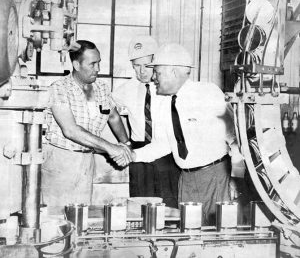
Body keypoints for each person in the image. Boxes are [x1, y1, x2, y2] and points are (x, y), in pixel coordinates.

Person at [113, 43, 244, 225]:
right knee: (189, 235)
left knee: (218, 235)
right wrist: (133, 155)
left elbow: (236, 139)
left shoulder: (207, 93)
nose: (154, 78)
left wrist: (237, 179)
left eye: (157, 73)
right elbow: (164, 143)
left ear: (173, 72)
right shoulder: (166, 103)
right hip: (186, 181)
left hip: (215, 178)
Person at [42, 40, 131, 209]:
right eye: (92, 64)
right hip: (61, 161)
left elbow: (113, 117)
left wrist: (125, 144)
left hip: (87, 160)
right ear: (76, 64)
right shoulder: (59, 89)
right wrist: (111, 148)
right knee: (56, 219)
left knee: (80, 216)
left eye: (99, 63)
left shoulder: (101, 89)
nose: (97, 69)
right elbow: (71, 130)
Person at [113, 36, 180, 207]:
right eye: (136, 66)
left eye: (147, 66)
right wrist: (124, 141)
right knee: (139, 205)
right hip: (139, 154)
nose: (141, 71)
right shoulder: (123, 91)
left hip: (167, 153)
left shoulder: (170, 87)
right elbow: (108, 110)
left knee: (168, 204)